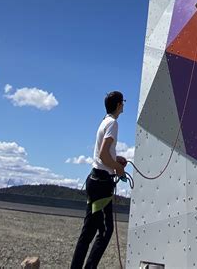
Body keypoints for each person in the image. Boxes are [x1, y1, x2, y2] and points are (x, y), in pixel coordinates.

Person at [70, 91, 127, 269]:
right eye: (123, 102)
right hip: (102, 183)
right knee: (105, 230)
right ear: (118, 105)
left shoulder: (104, 121)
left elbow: (103, 154)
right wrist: (118, 168)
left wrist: (116, 160)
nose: (123, 105)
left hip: (95, 179)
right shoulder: (113, 123)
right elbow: (103, 155)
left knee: (88, 232)